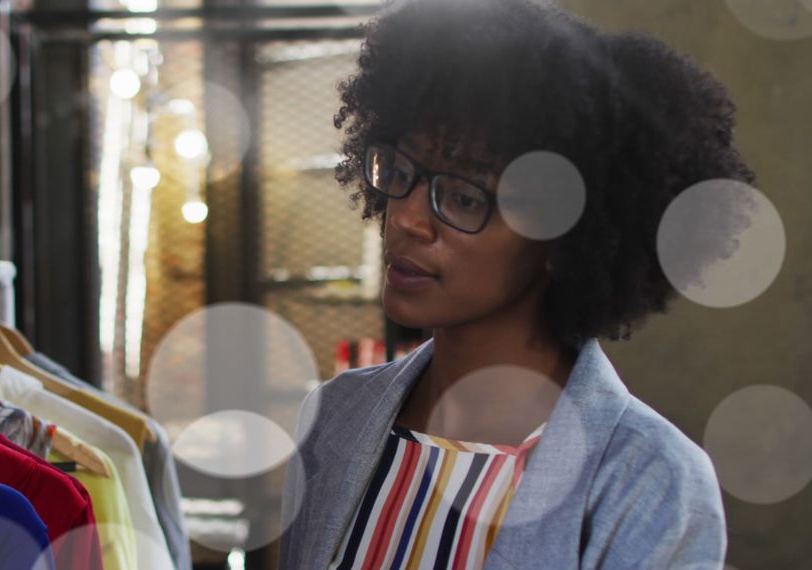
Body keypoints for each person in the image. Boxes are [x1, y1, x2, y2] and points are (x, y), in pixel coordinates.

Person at [279, 0, 753, 568]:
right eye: (401, 173)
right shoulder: (336, 415)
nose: (405, 217)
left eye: (462, 197)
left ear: (563, 237)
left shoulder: (650, 479)